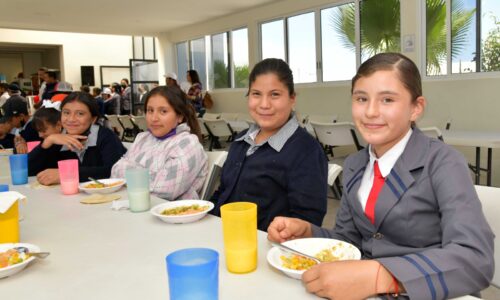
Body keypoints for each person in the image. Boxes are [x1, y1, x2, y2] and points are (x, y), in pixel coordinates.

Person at [267, 53, 494, 300]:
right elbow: (348, 240)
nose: (371, 112)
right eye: (361, 99)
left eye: (387, 100)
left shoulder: (444, 163)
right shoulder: (355, 164)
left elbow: (476, 259)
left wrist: (379, 276)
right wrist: (309, 232)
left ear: (416, 108)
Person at [210, 58, 327, 231]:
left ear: (292, 98)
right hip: (224, 237)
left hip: (268, 247)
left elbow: (307, 221)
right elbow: (224, 193)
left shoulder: (306, 151)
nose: (264, 105)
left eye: (275, 95)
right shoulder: (241, 141)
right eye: (256, 94)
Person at [111, 86, 208, 200]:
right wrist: (151, 175)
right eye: (150, 110)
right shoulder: (143, 138)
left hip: (171, 213)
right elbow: (115, 172)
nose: (154, 118)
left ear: (180, 116)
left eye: (163, 111)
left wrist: (129, 171)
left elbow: (166, 189)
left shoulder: (188, 144)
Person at [28, 92, 126, 185]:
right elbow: (29, 170)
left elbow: (113, 171)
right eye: (66, 113)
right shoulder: (58, 140)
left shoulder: (106, 137)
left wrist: (66, 174)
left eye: (80, 114)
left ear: (93, 119)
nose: (71, 119)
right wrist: (47, 142)